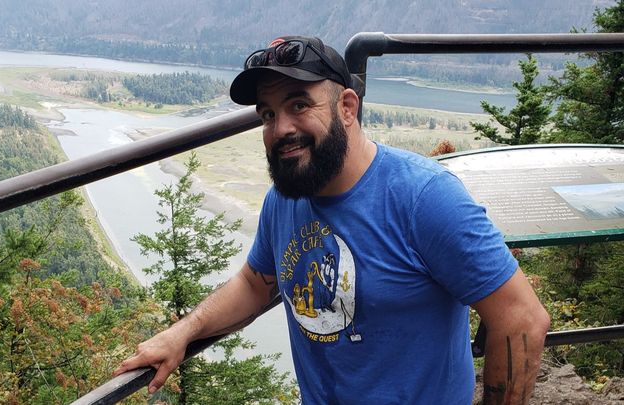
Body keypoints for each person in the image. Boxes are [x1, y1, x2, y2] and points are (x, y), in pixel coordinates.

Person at [115, 35, 551, 404]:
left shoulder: (423, 198)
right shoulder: (285, 198)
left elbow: (522, 318)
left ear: (346, 107)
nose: (281, 128)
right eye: (268, 114)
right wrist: (183, 332)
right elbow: (254, 284)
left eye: (299, 104)